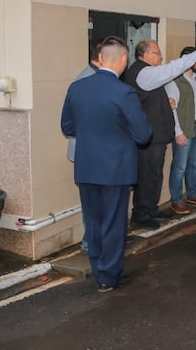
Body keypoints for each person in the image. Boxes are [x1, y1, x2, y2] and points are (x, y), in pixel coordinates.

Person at [61, 36, 152, 293]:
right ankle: (108, 276)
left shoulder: (77, 88)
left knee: (94, 221)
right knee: (113, 222)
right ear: (123, 60)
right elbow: (143, 134)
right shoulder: (123, 92)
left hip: (86, 166)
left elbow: (67, 126)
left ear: (101, 58)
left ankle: (99, 268)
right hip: (115, 168)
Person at [124, 39, 196, 230]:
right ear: (145, 54)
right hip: (149, 137)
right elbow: (171, 70)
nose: (161, 56)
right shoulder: (143, 72)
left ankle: (151, 208)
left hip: (157, 136)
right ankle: (141, 214)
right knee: (147, 175)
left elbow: (149, 99)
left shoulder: (146, 74)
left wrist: (166, 102)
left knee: (155, 174)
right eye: (157, 53)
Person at [164, 47, 196, 215]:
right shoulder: (175, 81)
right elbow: (173, 110)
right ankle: (176, 199)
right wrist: (178, 132)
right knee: (180, 166)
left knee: (195, 164)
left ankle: (193, 193)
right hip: (185, 128)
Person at [66, 39, 101, 254]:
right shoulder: (88, 81)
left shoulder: (90, 78)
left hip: (91, 151)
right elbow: (72, 124)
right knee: (93, 202)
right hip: (90, 153)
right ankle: (91, 243)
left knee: (96, 202)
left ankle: (96, 241)